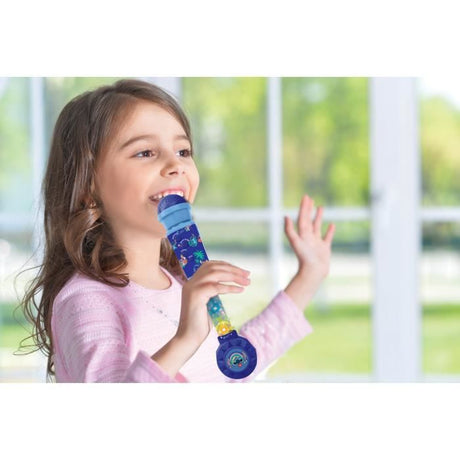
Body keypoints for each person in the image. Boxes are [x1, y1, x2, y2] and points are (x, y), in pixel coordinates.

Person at [18, 78, 335, 383]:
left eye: (183, 151)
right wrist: (186, 339)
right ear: (88, 187)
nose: (176, 165)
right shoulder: (87, 300)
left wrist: (310, 274)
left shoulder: (179, 281)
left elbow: (231, 368)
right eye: (145, 152)